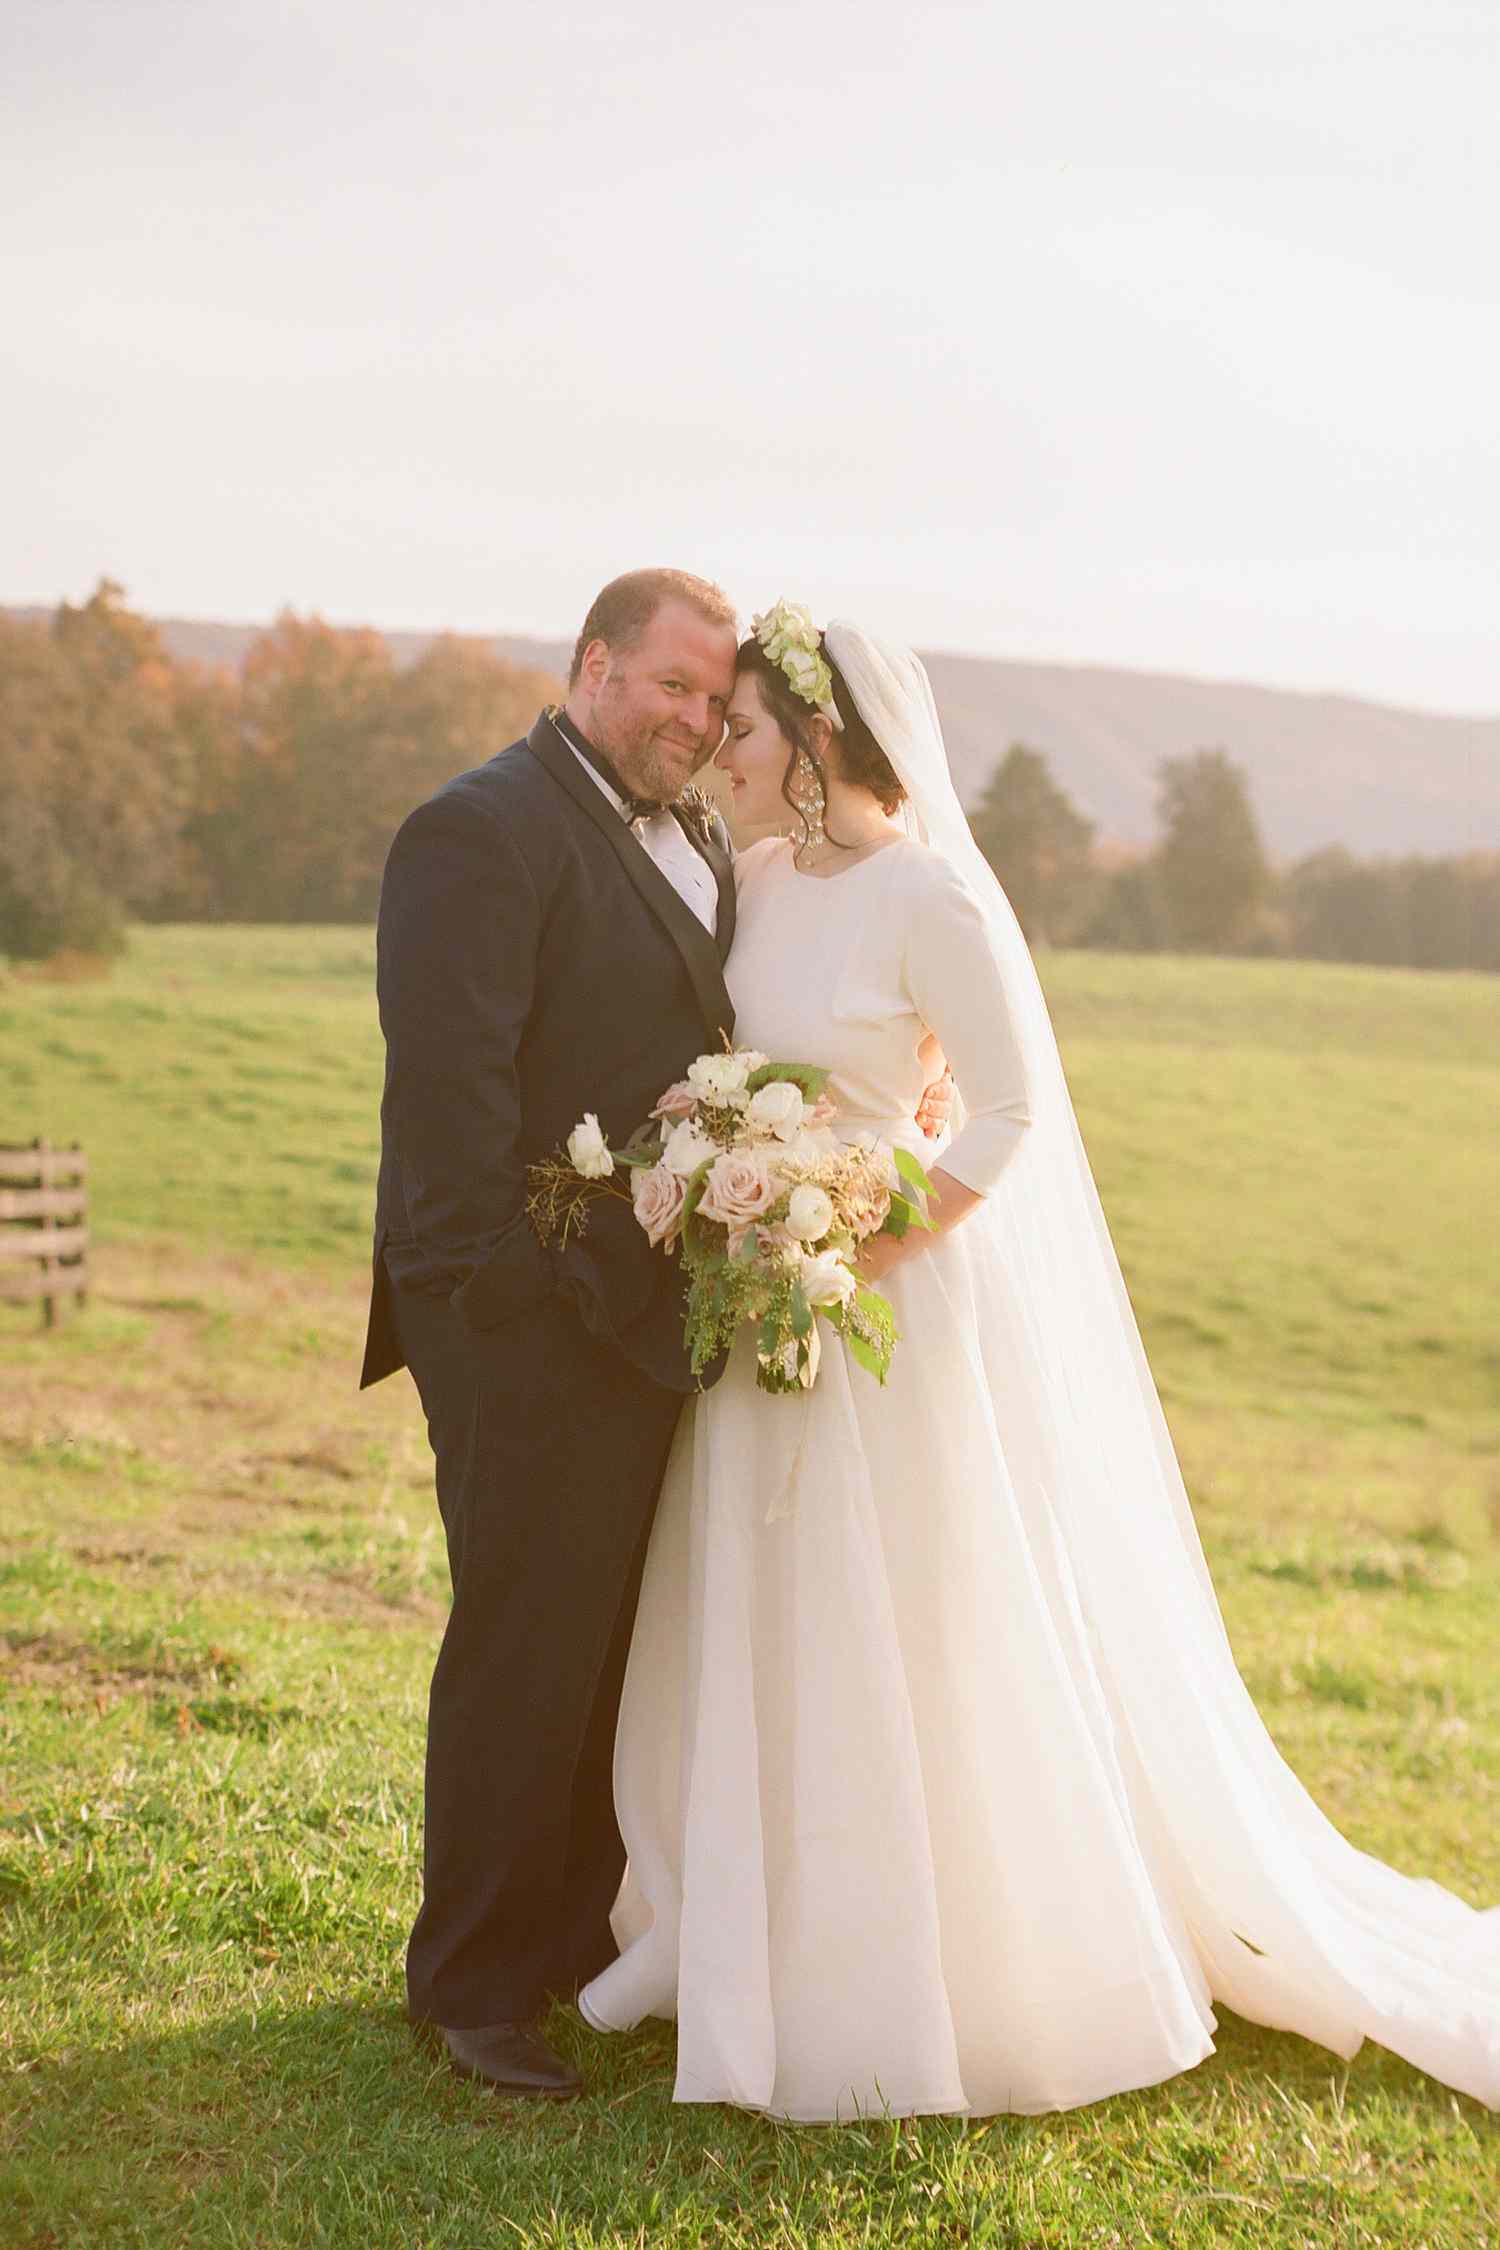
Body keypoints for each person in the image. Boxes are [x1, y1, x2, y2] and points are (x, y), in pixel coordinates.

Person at [577, 607, 1500, 2121]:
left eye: (741, 729)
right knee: (770, 1609)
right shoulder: (743, 882)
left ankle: (922, 1963)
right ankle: (746, 1934)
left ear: (813, 745)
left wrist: (861, 1243)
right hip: (762, 1308)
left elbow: (1004, 1115)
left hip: (890, 1311)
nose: (716, 754)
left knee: (913, 1626)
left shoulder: (931, 897)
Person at [361, 571, 949, 2099]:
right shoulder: (477, 830)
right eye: (672, 689)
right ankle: (471, 1986)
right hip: (520, 1316)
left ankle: (566, 1941)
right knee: (520, 1639)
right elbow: (447, 1113)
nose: (696, 721)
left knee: (606, 1645)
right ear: (594, 665)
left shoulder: (698, 829)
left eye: (716, 702)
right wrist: (498, 1321)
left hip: (648, 1314)